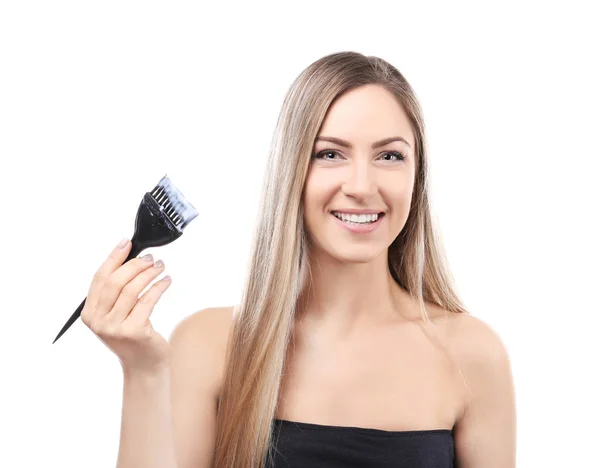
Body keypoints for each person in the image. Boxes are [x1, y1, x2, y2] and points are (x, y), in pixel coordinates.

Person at [82, 51, 516, 468]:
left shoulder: (472, 355)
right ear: (292, 170)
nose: (362, 185)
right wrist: (142, 372)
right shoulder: (208, 346)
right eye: (330, 154)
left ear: (416, 175)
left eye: (390, 156)